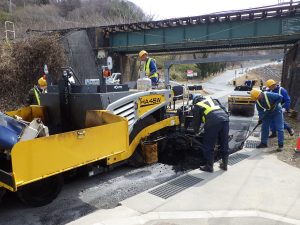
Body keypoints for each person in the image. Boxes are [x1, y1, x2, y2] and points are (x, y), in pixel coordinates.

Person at [192, 95, 230, 173]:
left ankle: (209, 167)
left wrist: (195, 132)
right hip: (225, 120)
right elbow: (225, 110)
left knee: (208, 144)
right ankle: (224, 165)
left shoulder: (198, 106)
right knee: (224, 142)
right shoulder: (213, 100)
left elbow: (196, 122)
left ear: (195, 101)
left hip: (213, 122)